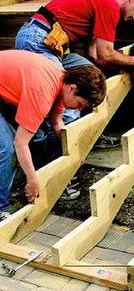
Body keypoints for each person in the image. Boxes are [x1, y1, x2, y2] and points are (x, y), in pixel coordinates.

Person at [15, 0, 134, 147]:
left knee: (92, 76)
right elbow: (106, 54)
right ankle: (57, 154)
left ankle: (88, 135)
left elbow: (94, 55)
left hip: (53, 45)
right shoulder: (110, 4)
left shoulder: (101, 4)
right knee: (69, 96)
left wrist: (118, 72)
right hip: (39, 40)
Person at [0, 50, 106, 221]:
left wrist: (72, 151)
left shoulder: (60, 81)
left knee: (38, 135)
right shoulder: (43, 92)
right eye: (80, 104)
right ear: (73, 88)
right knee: (7, 148)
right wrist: (32, 179)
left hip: (5, 91)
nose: (77, 109)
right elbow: (20, 143)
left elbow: (57, 123)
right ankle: (1, 208)